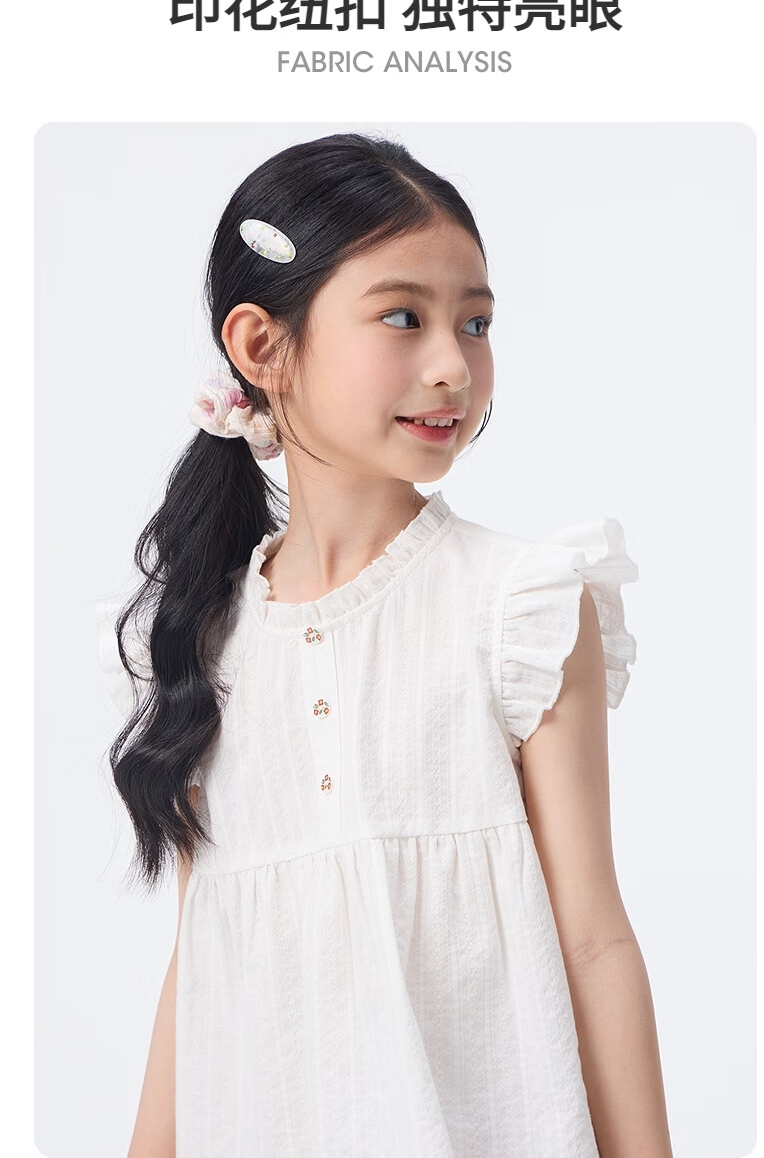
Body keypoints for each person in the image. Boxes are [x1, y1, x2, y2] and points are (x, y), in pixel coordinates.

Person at [97, 132, 673, 1157]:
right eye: (403, 317)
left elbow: (593, 942)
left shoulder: (520, 606)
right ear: (260, 347)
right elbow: (202, 962)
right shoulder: (199, 640)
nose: (453, 366)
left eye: (476, 323)